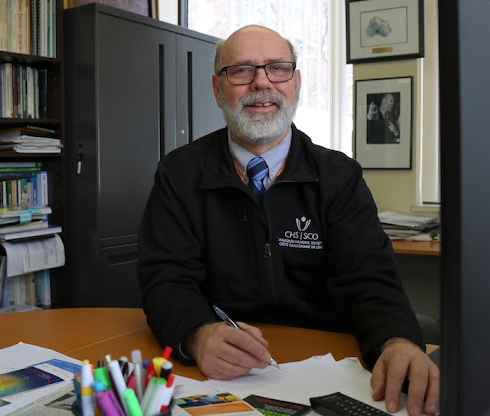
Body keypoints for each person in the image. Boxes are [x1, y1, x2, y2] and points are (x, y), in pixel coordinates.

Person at [137, 25, 439, 416]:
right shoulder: (178, 174)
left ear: (296, 83)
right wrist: (196, 334)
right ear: (217, 88)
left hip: (330, 371)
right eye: (242, 70)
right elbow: (165, 279)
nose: (261, 83)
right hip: (223, 377)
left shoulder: (339, 176)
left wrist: (397, 340)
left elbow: (370, 279)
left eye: (277, 68)